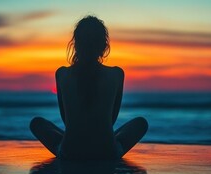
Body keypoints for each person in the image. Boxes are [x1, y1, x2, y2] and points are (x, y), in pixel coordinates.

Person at [30, 15, 148, 160]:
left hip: (70, 153)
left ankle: (70, 143)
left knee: (37, 123)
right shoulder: (117, 74)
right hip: (106, 153)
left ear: (76, 45)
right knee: (140, 123)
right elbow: (111, 120)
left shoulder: (62, 74)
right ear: (104, 46)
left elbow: (66, 120)